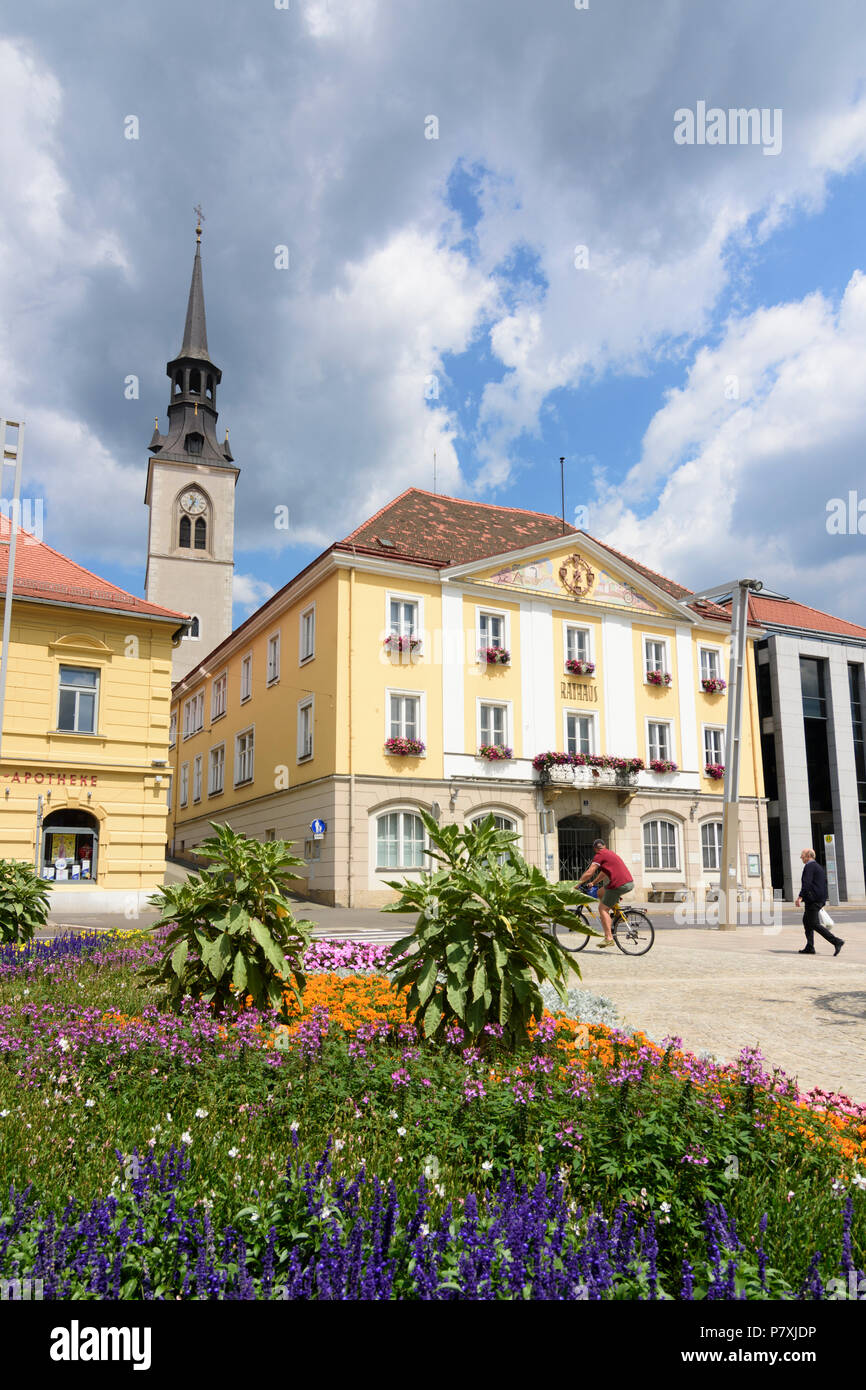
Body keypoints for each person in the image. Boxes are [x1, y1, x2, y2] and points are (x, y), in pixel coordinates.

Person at [577, 839, 634, 947]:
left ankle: (608, 938)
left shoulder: (599, 855)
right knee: (600, 892)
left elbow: (590, 872)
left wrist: (577, 884)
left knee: (602, 909)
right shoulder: (610, 853)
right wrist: (593, 883)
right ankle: (618, 913)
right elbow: (604, 872)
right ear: (604, 846)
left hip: (618, 884)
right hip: (628, 883)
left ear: (595, 849)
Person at [794, 848, 844, 956]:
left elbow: (806, 883)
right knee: (807, 921)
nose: (801, 858)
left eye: (802, 855)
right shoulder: (818, 867)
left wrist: (800, 897)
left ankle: (836, 941)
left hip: (813, 900)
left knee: (814, 923)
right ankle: (810, 947)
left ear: (808, 856)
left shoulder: (809, 866)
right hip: (818, 898)